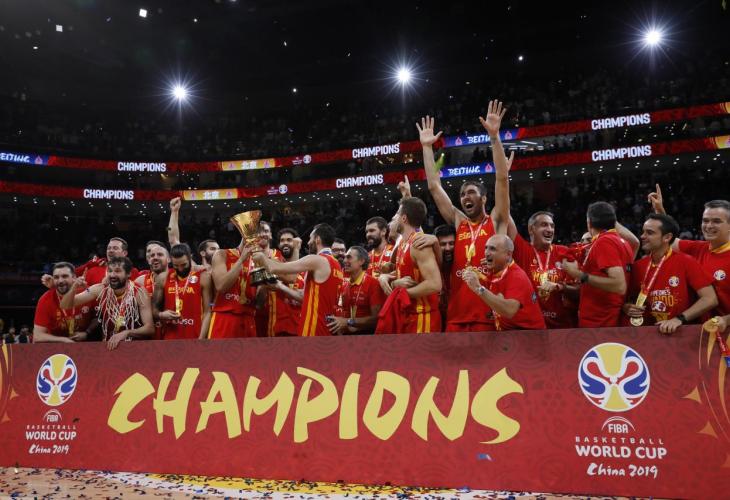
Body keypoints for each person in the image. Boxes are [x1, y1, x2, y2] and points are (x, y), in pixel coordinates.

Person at [418, 101, 512, 332]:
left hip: (487, 314)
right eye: (462, 194)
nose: (465, 197)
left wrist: (494, 137)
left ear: (484, 199)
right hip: (456, 315)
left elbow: (501, 178)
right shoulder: (460, 222)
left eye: (471, 193)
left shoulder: (497, 220)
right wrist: (427, 148)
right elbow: (434, 186)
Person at [650, 186, 730, 332]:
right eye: (705, 221)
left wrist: (726, 320)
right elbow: (669, 240)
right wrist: (660, 211)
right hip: (701, 334)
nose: (709, 226)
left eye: (716, 221)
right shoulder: (698, 248)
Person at [622, 214, 717, 333]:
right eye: (643, 232)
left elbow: (710, 299)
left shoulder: (686, 262)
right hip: (648, 334)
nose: (642, 236)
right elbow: (628, 300)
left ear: (667, 237)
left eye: (649, 233)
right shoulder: (638, 266)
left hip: (682, 333)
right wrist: (627, 307)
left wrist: (679, 319)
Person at [253, 223, 343, 336]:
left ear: (317, 239)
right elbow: (304, 296)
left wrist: (262, 257)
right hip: (326, 328)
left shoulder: (317, 260)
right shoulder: (337, 265)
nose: (308, 242)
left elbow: (275, 268)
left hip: (313, 328)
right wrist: (280, 286)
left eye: (310, 238)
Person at [562, 202, 637, 328]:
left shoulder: (604, 241)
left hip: (599, 322)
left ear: (589, 223)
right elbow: (635, 242)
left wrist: (578, 274)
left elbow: (619, 285)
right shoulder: (622, 242)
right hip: (607, 319)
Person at [377, 197, 442, 333]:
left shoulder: (419, 243)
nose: (393, 218)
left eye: (396, 214)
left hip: (423, 317)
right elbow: (406, 274)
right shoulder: (402, 243)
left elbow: (435, 284)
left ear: (404, 218)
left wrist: (401, 294)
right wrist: (385, 278)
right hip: (408, 315)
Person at [61, 256, 153, 350]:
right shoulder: (100, 289)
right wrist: (74, 287)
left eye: (117, 271)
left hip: (135, 347)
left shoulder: (139, 292)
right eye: (109, 271)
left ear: (128, 274)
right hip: (109, 347)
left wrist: (127, 333)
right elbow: (65, 305)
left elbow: (149, 328)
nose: (112, 275)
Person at [508, 212, 578, 328]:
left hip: (561, 328)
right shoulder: (522, 250)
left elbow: (580, 291)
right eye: (544, 225)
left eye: (552, 226)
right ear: (531, 229)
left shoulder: (564, 252)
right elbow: (504, 214)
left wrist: (559, 287)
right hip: (531, 329)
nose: (550, 229)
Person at [463, 235, 546, 331]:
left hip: (529, 335)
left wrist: (478, 288)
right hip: (509, 333)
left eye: (493, 249)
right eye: (486, 248)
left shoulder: (517, 276)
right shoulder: (496, 270)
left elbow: (509, 311)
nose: (486, 253)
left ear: (508, 255)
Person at [153, 244, 213, 340]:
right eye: (176, 266)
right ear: (171, 261)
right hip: (170, 338)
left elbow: (207, 312)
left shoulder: (203, 277)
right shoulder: (162, 278)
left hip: (195, 336)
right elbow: (153, 310)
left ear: (190, 258)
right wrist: (161, 314)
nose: (180, 269)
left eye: (184, 265)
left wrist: (201, 339)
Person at [209, 235, 260, 339]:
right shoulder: (222, 254)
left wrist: (266, 285)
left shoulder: (258, 261)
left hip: (248, 318)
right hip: (225, 316)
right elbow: (221, 286)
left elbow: (259, 303)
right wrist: (241, 259)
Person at [329, 246, 386, 335]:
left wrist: (348, 321)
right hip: (346, 337)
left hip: (366, 337)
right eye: (345, 257)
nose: (344, 261)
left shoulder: (373, 284)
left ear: (361, 261)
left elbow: (377, 319)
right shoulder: (345, 285)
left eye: (349, 257)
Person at [33, 262, 96, 343]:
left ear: (74, 277)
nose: (60, 281)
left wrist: (87, 333)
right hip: (56, 347)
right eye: (56, 277)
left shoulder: (87, 293)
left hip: (86, 344)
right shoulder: (45, 299)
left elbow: (98, 318)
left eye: (65, 276)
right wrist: (63, 340)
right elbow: (37, 336)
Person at [262, 228, 305, 337]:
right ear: (278, 245)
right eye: (282, 240)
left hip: (301, 330)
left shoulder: (306, 268)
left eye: (289, 240)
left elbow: (305, 298)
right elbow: (291, 277)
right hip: (276, 329)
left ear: (296, 242)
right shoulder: (273, 263)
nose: (285, 243)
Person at [74, 237, 140, 285]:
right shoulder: (93, 270)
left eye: (115, 248)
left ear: (124, 253)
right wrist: (89, 264)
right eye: (109, 248)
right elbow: (72, 275)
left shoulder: (132, 272)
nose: (111, 250)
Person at [434, 224, 456, 330]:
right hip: (437, 320)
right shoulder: (430, 266)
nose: (448, 248)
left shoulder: (465, 264)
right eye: (442, 244)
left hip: (457, 321)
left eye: (451, 243)